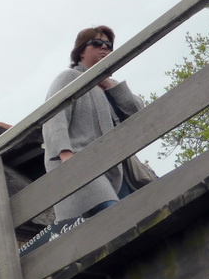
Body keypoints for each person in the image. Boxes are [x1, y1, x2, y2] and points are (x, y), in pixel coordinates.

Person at [43, 26, 145, 219]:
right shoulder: (69, 78)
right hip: (84, 165)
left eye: (108, 45)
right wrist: (66, 156)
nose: (104, 48)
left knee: (132, 221)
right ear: (81, 51)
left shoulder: (107, 87)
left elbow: (138, 112)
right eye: (97, 43)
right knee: (112, 215)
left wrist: (110, 84)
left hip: (117, 171)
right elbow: (54, 118)